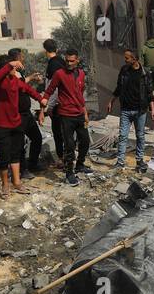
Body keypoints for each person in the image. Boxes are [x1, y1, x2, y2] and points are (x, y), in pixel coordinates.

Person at [0, 52, 43, 196]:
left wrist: (40, 99)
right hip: (1, 125)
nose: (15, 71)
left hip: (17, 123)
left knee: (16, 154)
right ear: (7, 68)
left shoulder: (15, 80)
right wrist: (10, 65)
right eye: (13, 68)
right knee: (4, 156)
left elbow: (28, 89)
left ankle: (17, 182)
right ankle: (5, 185)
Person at [39, 50, 91, 187]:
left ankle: (80, 165)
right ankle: (69, 173)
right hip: (66, 115)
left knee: (85, 141)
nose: (69, 63)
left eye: (72, 61)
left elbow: (80, 94)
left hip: (79, 113)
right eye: (67, 60)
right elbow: (49, 90)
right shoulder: (59, 74)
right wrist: (43, 104)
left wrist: (85, 112)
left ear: (77, 60)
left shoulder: (81, 74)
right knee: (69, 145)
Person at [108, 49, 154, 171]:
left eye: (127, 58)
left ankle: (139, 161)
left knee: (140, 136)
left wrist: (153, 110)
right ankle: (120, 162)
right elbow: (119, 87)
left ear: (134, 59)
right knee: (123, 136)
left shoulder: (145, 73)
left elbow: (150, 93)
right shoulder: (124, 71)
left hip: (140, 110)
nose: (125, 60)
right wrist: (111, 101)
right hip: (126, 110)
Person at [7, 47, 46, 177]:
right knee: (19, 143)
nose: (23, 59)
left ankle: (33, 164)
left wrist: (32, 78)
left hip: (26, 113)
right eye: (22, 57)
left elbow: (23, 84)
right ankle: (22, 171)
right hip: (17, 114)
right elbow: (18, 84)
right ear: (17, 59)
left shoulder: (20, 72)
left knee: (37, 137)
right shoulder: (10, 73)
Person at [43, 39, 66, 168]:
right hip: (66, 103)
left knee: (58, 132)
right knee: (65, 132)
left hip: (57, 105)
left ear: (45, 51)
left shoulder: (53, 64)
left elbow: (54, 88)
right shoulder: (61, 62)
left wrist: (49, 106)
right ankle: (68, 158)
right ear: (56, 49)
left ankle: (62, 159)